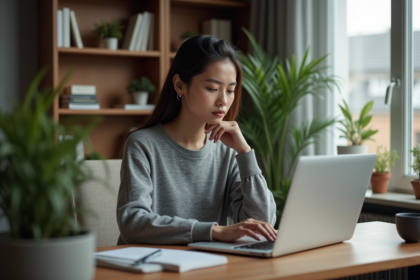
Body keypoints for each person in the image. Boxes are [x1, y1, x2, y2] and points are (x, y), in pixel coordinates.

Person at [117, 35, 277, 245]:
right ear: (179, 85)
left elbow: (262, 223)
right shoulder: (142, 144)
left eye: (230, 90)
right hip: (150, 267)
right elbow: (133, 223)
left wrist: (245, 153)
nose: (223, 101)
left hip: (207, 265)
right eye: (212, 88)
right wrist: (213, 231)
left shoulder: (227, 151)